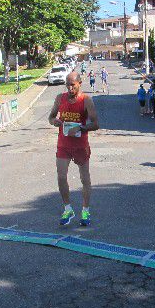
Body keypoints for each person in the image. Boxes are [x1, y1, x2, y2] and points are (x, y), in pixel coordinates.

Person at [48, 72, 99, 227]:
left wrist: (81, 127)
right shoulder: (60, 98)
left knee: (85, 179)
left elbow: (96, 124)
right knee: (61, 177)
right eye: (67, 85)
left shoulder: (86, 100)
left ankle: (85, 210)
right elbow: (51, 117)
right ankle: (68, 208)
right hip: (63, 144)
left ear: (79, 83)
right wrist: (55, 121)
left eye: (73, 85)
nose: (70, 88)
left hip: (80, 146)